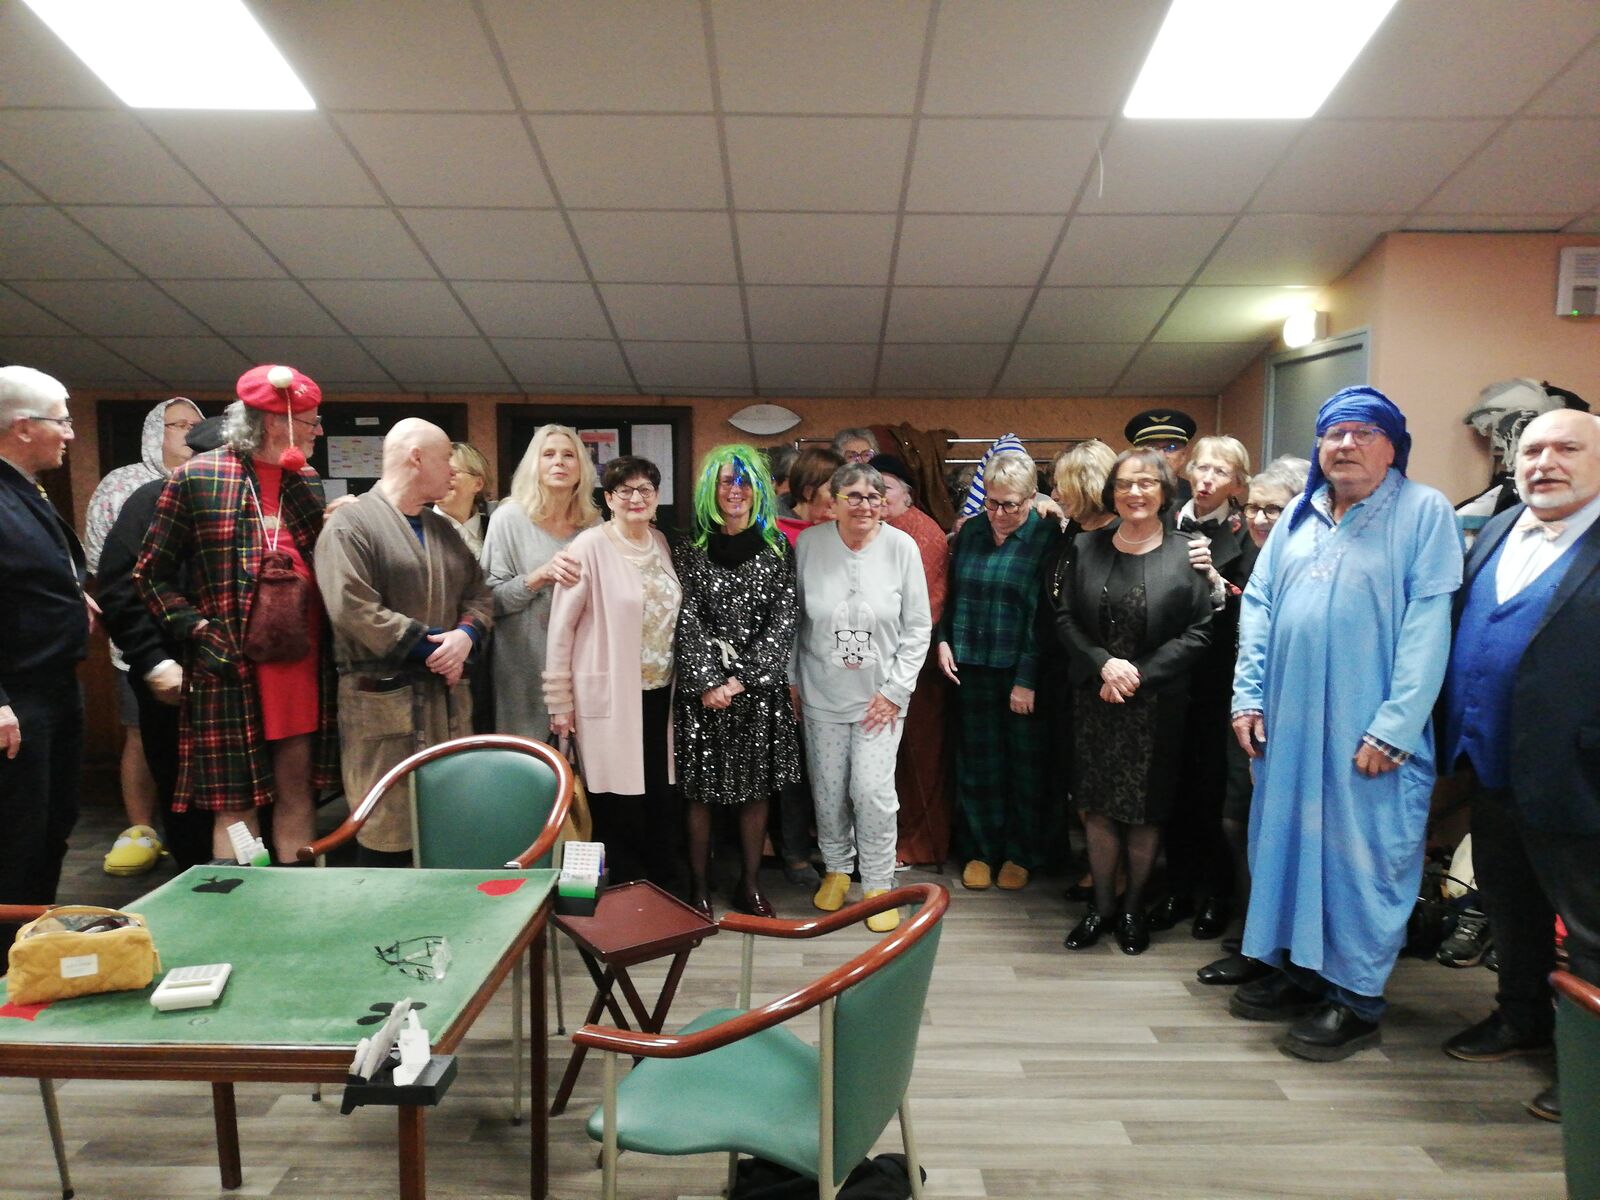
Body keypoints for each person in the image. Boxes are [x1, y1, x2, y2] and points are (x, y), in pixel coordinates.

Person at [1229, 386, 1462, 1060]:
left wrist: (1396, 725)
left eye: (1364, 433)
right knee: (1286, 845)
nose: (1347, 445)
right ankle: (1301, 970)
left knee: (1364, 859)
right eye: (1335, 433)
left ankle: (1356, 998)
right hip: (1289, 724)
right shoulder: (1299, 515)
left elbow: (1428, 624)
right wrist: (1247, 697)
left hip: (1368, 730)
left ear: (1393, 447)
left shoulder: (1424, 512)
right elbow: (1260, 605)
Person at [1438, 407, 1600, 1123]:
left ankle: (1589, 1070)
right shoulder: (1501, 526)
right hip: (1491, 761)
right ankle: (1520, 1015)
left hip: (1581, 774)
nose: (1544, 463)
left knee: (1591, 929)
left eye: (1567, 448)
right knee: (1512, 906)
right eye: (1532, 451)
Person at [136, 364, 338, 864]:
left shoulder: (305, 482)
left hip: (301, 662)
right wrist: (199, 631)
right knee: (235, 802)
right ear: (274, 422)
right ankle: (243, 897)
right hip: (228, 664)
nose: (317, 431)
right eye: (310, 422)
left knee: (298, 788)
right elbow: (150, 574)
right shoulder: (197, 478)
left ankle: (298, 897)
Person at [315, 420, 494, 865]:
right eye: (445, 459)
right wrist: (436, 651)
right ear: (416, 458)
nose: (452, 471)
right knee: (387, 831)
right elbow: (352, 608)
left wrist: (465, 636)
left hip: (447, 705)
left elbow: (480, 593)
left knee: (450, 829)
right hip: (382, 706)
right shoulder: (350, 526)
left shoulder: (443, 530)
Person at [1057, 448, 1212, 954]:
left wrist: (1136, 675)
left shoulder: (1188, 552)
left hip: (1156, 703)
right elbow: (1065, 618)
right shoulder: (1085, 546)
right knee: (1098, 808)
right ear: (1112, 493)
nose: (1135, 492)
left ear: (1165, 492)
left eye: (1146, 483)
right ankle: (1101, 908)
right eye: (1124, 483)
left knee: (1146, 812)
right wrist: (1103, 664)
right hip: (1096, 697)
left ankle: (1132, 910)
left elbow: (1199, 631)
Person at [793, 462, 931, 932]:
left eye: (873, 497)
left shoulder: (902, 547)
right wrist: (793, 681)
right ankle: (836, 868)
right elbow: (796, 620)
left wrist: (896, 691)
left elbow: (918, 627)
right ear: (833, 503)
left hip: (880, 699)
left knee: (871, 793)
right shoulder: (810, 545)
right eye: (852, 496)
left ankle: (876, 882)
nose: (864, 505)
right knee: (829, 789)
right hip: (821, 691)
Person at [95, 416, 230, 873]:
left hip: (238, 675)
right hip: (175, 671)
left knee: (248, 802)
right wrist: (153, 660)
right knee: (182, 795)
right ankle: (195, 888)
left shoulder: (255, 502)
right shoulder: (154, 499)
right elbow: (120, 587)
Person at [1195, 455, 1310, 988]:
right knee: (1238, 822)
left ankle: (1276, 951)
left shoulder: (1308, 565)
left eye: (1274, 509)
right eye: (1256, 508)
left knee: (1278, 833)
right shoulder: (1253, 558)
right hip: (1246, 715)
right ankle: (1255, 936)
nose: (1261, 518)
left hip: (1295, 720)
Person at [673, 445, 800, 918]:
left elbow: (784, 620)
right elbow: (685, 619)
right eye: (727, 480)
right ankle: (699, 888)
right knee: (699, 795)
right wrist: (709, 681)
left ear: (758, 489)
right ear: (712, 487)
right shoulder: (688, 550)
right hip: (701, 694)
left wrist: (740, 680)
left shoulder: (777, 549)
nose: (736, 490)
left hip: (757, 692)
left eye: (745, 482)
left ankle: (750, 885)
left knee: (755, 793)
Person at [545, 456, 682, 889]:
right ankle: (623, 891)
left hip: (660, 694)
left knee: (657, 795)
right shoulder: (588, 547)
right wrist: (559, 702)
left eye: (645, 490)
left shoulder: (661, 542)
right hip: (608, 696)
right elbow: (561, 629)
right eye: (625, 490)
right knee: (616, 799)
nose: (636, 498)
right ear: (608, 499)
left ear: (656, 497)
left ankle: (658, 892)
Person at [0, 366, 90, 956]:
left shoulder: (24, 488)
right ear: (22, 426)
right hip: (16, 698)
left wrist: (71, 593)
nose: (71, 434)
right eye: (61, 421)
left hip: (54, 687)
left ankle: (31, 949)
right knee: (16, 837)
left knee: (52, 826)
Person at [937, 450, 1058, 891]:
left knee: (1024, 767)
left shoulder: (1047, 535)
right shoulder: (970, 532)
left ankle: (1020, 853)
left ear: (1032, 497)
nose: (1000, 514)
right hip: (970, 664)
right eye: (992, 502)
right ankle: (979, 850)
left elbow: (1042, 616)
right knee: (977, 764)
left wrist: (1026, 678)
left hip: (1019, 669)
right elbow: (951, 593)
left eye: (1011, 504)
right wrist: (943, 639)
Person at [1152, 435, 1254, 937]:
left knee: (1213, 789)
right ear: (1188, 471)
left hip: (1218, 678)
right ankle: (1177, 886)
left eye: (1221, 472)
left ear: (1237, 484)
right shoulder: (1162, 520)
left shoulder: (1248, 535)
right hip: (1165, 674)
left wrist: (1215, 577)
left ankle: (1215, 894)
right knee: (1171, 783)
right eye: (1203, 468)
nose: (1208, 479)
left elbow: (1254, 614)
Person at [481, 425, 595, 741]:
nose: (559, 462)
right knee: (527, 758)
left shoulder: (594, 524)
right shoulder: (509, 518)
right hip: (523, 667)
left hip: (580, 665)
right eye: (549, 454)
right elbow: (488, 600)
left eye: (569, 455)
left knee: (580, 763)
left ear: (582, 467)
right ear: (534, 464)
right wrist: (539, 576)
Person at [1041, 440, 1119, 895]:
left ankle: (1112, 880)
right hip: (1066, 673)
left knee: (1101, 787)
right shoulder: (1072, 531)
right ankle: (1099, 869)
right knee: (1079, 782)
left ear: (1086, 485)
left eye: (1061, 484)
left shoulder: (1117, 536)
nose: (1055, 492)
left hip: (1102, 678)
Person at [874, 453, 952, 868]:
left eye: (885, 488)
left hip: (914, 667)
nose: (877, 496)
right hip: (877, 666)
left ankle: (921, 844)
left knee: (917, 758)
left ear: (907, 493)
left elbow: (925, 609)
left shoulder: (921, 532)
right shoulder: (878, 530)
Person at [1124, 408, 1197, 507]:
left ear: (1183, 454)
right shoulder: (1123, 494)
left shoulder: (1195, 496)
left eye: (1171, 447)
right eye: (1152, 448)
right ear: (1137, 455)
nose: (1161, 455)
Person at [432, 440, 492, 556]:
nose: (441, 478)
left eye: (452, 472)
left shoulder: (494, 529)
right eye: (436, 472)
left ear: (478, 484)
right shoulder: (417, 528)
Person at [777, 447, 841, 546]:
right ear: (808, 492)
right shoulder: (775, 532)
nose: (841, 498)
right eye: (833, 490)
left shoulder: (843, 529)